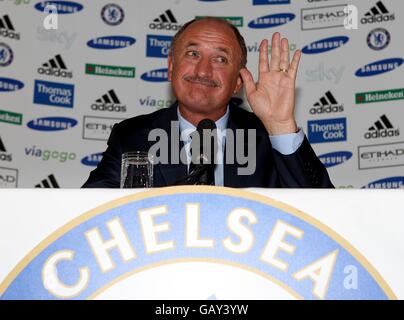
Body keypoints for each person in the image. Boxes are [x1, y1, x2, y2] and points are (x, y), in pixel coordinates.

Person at [82, 17, 333, 188]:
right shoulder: (132, 137)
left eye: (220, 59)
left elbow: (323, 214)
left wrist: (279, 126)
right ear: (171, 68)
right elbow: (89, 213)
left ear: (238, 81)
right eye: (193, 54)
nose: (203, 71)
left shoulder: (267, 139)